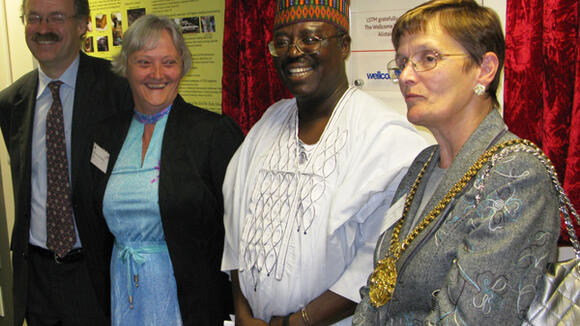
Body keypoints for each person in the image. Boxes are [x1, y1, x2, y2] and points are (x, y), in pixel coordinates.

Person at [353, 1, 561, 325]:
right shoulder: (423, 164)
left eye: (428, 59)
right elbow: (381, 282)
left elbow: (468, 318)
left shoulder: (517, 174)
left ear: (484, 69)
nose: (406, 76)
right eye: (402, 62)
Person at [221, 1, 427, 325]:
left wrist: (298, 322)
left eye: (311, 39)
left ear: (344, 45)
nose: (293, 52)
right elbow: (235, 224)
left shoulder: (386, 138)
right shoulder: (267, 125)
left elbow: (380, 258)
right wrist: (244, 312)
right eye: (283, 42)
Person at [88, 14, 242, 325]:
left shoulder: (212, 133)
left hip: (190, 300)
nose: (157, 74)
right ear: (126, 67)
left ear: (182, 66)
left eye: (168, 62)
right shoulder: (105, 135)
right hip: (124, 290)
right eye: (144, 62)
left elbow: (241, 230)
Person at [0, 0, 131, 325]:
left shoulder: (120, 89)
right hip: (37, 277)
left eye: (56, 17)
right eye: (34, 18)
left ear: (83, 24)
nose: (43, 29)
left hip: (98, 273)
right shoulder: (10, 102)